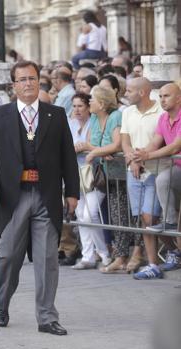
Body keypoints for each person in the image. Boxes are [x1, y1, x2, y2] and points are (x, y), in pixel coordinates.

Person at [0, 61, 79, 335]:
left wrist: (72, 192)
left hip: (46, 195)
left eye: (32, 78)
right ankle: (0, 304)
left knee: (47, 258)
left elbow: (68, 155)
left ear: (39, 81)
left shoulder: (55, 115)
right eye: (21, 79)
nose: (28, 84)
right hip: (12, 197)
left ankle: (47, 317)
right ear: (14, 85)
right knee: (8, 256)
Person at [131, 83, 181, 272]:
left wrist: (148, 156)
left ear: (178, 98)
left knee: (162, 180)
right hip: (176, 168)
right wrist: (141, 153)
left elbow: (176, 147)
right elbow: (155, 142)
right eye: (160, 96)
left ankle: (169, 223)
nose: (162, 99)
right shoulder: (163, 118)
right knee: (163, 180)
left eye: (166, 96)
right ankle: (169, 227)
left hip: (176, 168)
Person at [120, 77, 165, 280]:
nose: (125, 94)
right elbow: (125, 140)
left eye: (129, 91)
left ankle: (163, 256)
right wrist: (132, 158)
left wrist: (141, 157)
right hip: (134, 171)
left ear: (142, 92)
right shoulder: (127, 112)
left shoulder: (161, 112)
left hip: (156, 170)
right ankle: (152, 262)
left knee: (151, 218)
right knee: (142, 219)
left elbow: (161, 140)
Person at [72, 87, 121, 269]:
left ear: (101, 102)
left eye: (91, 100)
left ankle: (104, 254)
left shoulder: (115, 116)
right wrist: (99, 150)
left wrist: (96, 150)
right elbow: (93, 144)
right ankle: (89, 255)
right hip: (87, 171)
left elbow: (113, 145)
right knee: (80, 213)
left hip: (103, 173)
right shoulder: (93, 118)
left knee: (90, 213)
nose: (89, 102)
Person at [58, 93, 92, 266]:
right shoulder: (70, 124)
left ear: (88, 106)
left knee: (90, 215)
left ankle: (96, 252)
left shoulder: (92, 123)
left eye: (81, 106)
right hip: (72, 173)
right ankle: (84, 252)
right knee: (77, 214)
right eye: (75, 106)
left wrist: (82, 147)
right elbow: (62, 146)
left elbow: (88, 145)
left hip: (91, 175)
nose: (77, 110)